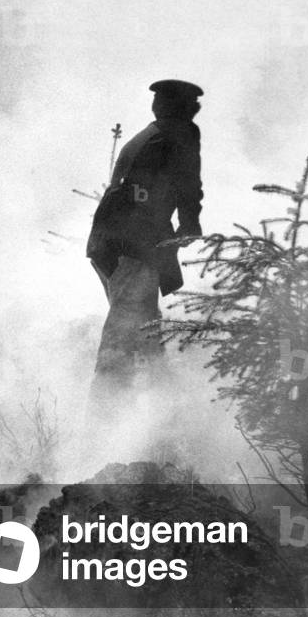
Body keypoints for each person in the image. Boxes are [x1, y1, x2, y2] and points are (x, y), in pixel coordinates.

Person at [86, 79, 204, 388]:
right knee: (125, 329)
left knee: (145, 326)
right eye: (192, 106)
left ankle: (164, 399)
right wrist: (189, 225)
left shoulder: (149, 136)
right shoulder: (178, 135)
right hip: (132, 246)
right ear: (184, 109)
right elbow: (188, 185)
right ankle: (105, 406)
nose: (196, 111)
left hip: (110, 244)